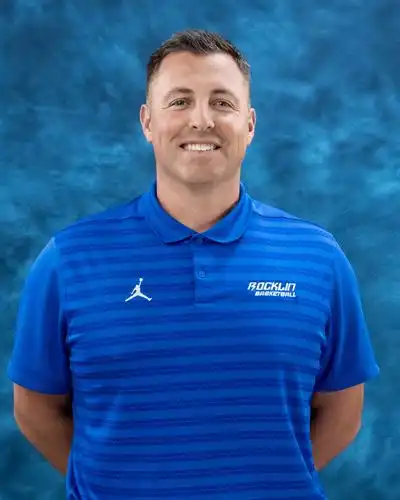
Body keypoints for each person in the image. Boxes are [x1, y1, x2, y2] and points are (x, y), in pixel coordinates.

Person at [8, 29, 380, 500]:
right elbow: (35, 409)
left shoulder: (319, 258)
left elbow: (343, 411)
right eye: (179, 101)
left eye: (222, 103)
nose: (201, 120)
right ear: (147, 122)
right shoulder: (68, 260)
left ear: (249, 124)